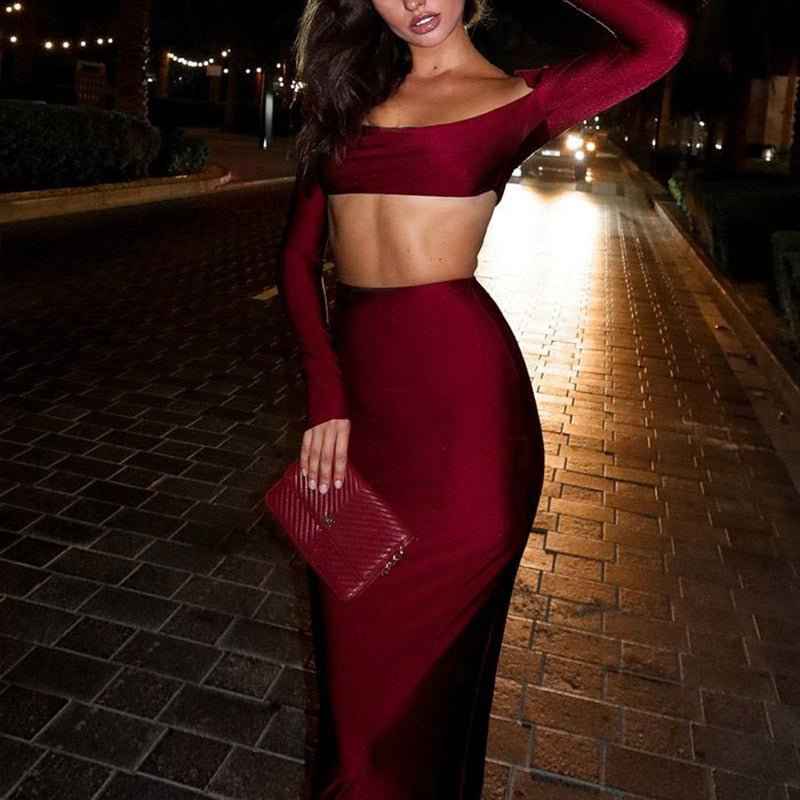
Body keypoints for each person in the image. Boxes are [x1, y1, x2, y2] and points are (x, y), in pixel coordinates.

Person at [277, 0, 690, 796]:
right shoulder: (347, 100)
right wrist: (325, 394)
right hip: (357, 430)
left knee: (428, 694)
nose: (415, 2)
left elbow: (663, 39)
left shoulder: (522, 99)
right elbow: (297, 262)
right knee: (352, 709)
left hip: (469, 430)